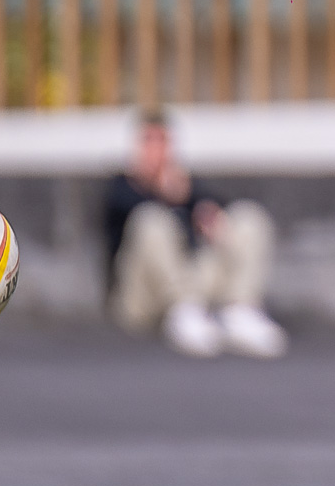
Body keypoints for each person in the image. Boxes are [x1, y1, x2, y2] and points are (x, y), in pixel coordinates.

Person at [105, 111, 287, 359]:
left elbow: (216, 207)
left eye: (163, 141)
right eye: (149, 141)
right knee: (149, 220)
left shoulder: (185, 184)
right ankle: (184, 312)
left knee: (247, 217)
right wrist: (160, 193)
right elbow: (125, 217)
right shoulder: (122, 187)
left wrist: (202, 209)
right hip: (143, 294)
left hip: (191, 282)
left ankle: (240, 309)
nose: (156, 149)